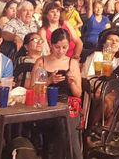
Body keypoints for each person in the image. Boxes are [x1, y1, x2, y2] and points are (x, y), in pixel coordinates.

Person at [31, 28, 82, 159]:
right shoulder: (41, 62)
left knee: (65, 123)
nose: (61, 51)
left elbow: (78, 93)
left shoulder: (72, 63)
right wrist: (49, 81)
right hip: (45, 103)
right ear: (50, 44)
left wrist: (71, 82)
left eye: (64, 47)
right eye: (57, 47)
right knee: (60, 123)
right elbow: (32, 89)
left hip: (67, 103)